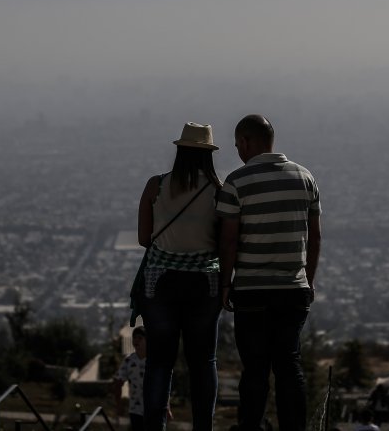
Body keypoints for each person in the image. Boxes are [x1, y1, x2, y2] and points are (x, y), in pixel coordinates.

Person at [216, 114, 322, 431]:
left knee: (255, 369)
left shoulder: (236, 182)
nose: (238, 151)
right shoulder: (305, 177)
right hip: (294, 289)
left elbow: (229, 239)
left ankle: (251, 427)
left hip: (250, 291)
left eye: (237, 145)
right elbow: (315, 236)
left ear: (247, 142)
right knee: (288, 364)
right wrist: (308, 280)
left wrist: (225, 284)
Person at [137, 122, 223, 431]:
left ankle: (153, 426)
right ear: (208, 155)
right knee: (203, 362)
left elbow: (144, 238)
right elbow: (224, 243)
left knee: (160, 362)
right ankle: (203, 427)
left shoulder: (156, 186)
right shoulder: (219, 191)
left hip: (160, 281)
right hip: (205, 282)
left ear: (179, 151)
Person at [114, 327, 148, 431]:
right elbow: (118, 382)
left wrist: (167, 407)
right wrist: (119, 404)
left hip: (154, 409)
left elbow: (163, 385)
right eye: (134, 338)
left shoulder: (154, 360)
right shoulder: (129, 360)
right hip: (135, 410)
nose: (136, 340)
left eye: (140, 338)